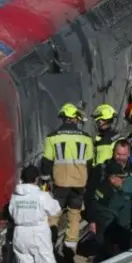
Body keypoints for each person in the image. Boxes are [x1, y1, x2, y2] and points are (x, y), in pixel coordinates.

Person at [8, 166, 66, 263]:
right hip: (38, 232)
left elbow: (11, 212)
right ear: (36, 179)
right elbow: (56, 209)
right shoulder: (42, 196)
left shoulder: (15, 196)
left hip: (20, 232)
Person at [40, 103, 94, 252]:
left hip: (60, 182)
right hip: (79, 183)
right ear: (75, 119)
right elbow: (89, 163)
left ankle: (49, 242)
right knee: (75, 214)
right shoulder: (86, 138)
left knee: (54, 213)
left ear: (63, 119)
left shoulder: (52, 137)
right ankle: (70, 247)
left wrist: (45, 179)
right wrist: (86, 181)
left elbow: (47, 162)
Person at [86, 160, 132, 259]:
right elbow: (123, 221)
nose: (123, 180)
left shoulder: (101, 187)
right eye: (121, 177)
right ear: (112, 178)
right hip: (109, 236)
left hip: (99, 231)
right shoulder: (114, 196)